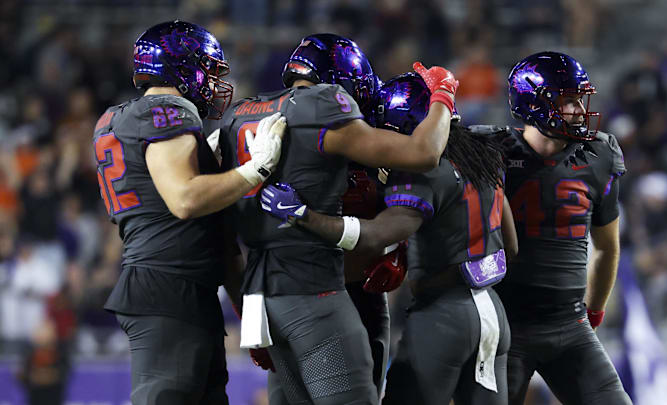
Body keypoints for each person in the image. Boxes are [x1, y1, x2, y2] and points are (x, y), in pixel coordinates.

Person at [217, 34, 458, 405]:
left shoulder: (242, 113)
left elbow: (222, 228)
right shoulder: (327, 107)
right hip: (320, 291)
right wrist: (443, 94)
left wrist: (244, 307)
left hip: (266, 293)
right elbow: (423, 153)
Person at [260, 72, 517, 405]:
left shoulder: (422, 170)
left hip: (443, 315)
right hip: (494, 311)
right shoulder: (485, 157)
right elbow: (510, 246)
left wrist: (304, 215)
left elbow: (375, 235)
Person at [93, 20, 285, 405]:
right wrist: (254, 170)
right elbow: (184, 199)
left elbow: (216, 235)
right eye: (209, 70)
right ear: (182, 66)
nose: (213, 83)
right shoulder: (171, 109)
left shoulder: (117, 118)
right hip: (170, 289)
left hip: (170, 285)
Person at [482, 51, 632, 404]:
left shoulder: (599, 155)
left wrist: (593, 312)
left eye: (580, 99)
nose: (579, 110)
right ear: (533, 104)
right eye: (567, 101)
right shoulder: (489, 148)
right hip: (507, 326)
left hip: (569, 323)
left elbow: (608, 247)